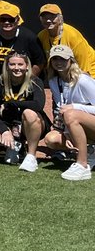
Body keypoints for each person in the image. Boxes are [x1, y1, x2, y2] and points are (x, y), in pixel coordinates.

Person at [0, 51, 49, 169]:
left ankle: (31, 156)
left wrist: (12, 103)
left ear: (27, 66)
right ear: (7, 66)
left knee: (29, 113)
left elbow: (38, 105)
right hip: (9, 123)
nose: (16, 68)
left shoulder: (35, 81)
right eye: (12, 64)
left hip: (31, 124)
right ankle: (15, 145)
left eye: (20, 64)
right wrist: (4, 131)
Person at [45, 44, 95, 181]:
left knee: (71, 114)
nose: (59, 63)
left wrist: (75, 106)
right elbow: (60, 108)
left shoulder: (83, 80)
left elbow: (70, 110)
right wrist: (66, 133)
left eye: (63, 59)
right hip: (82, 125)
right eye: (55, 59)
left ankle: (82, 165)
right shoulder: (54, 81)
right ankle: (91, 151)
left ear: (71, 61)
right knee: (51, 139)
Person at [37, 4, 95, 76]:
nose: (48, 20)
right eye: (44, 18)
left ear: (60, 18)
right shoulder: (41, 36)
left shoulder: (73, 36)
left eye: (52, 17)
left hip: (88, 72)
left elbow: (84, 69)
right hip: (63, 74)